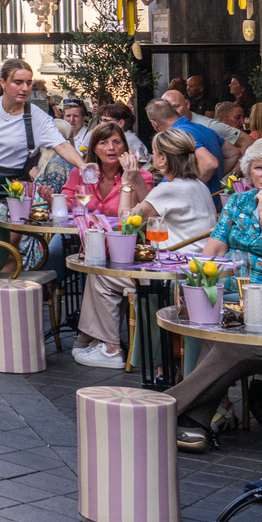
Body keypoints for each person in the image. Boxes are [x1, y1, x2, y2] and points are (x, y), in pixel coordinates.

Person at [156, 138, 262, 448]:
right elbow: (212, 254)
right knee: (203, 313)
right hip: (229, 297)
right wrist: (198, 284)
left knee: (226, 343)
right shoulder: (236, 203)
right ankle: (194, 420)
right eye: (259, 168)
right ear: (249, 172)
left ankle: (165, 410)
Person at [71, 128, 217, 369]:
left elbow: (126, 223)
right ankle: (96, 339)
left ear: (163, 159)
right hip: (198, 271)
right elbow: (153, 205)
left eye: (154, 152)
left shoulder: (171, 189)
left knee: (101, 276)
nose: (151, 156)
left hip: (175, 277)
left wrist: (127, 183)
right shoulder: (196, 185)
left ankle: (110, 349)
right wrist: (137, 176)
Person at [0, 59, 87, 204]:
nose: (25, 88)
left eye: (28, 83)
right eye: (18, 82)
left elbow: (62, 145)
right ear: (3, 83)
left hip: (16, 190)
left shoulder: (36, 116)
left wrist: (82, 165)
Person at [146, 97, 222, 183]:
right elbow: (233, 154)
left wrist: (189, 190)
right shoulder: (203, 128)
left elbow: (211, 164)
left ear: (154, 123)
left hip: (188, 195)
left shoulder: (178, 134)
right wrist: (215, 181)